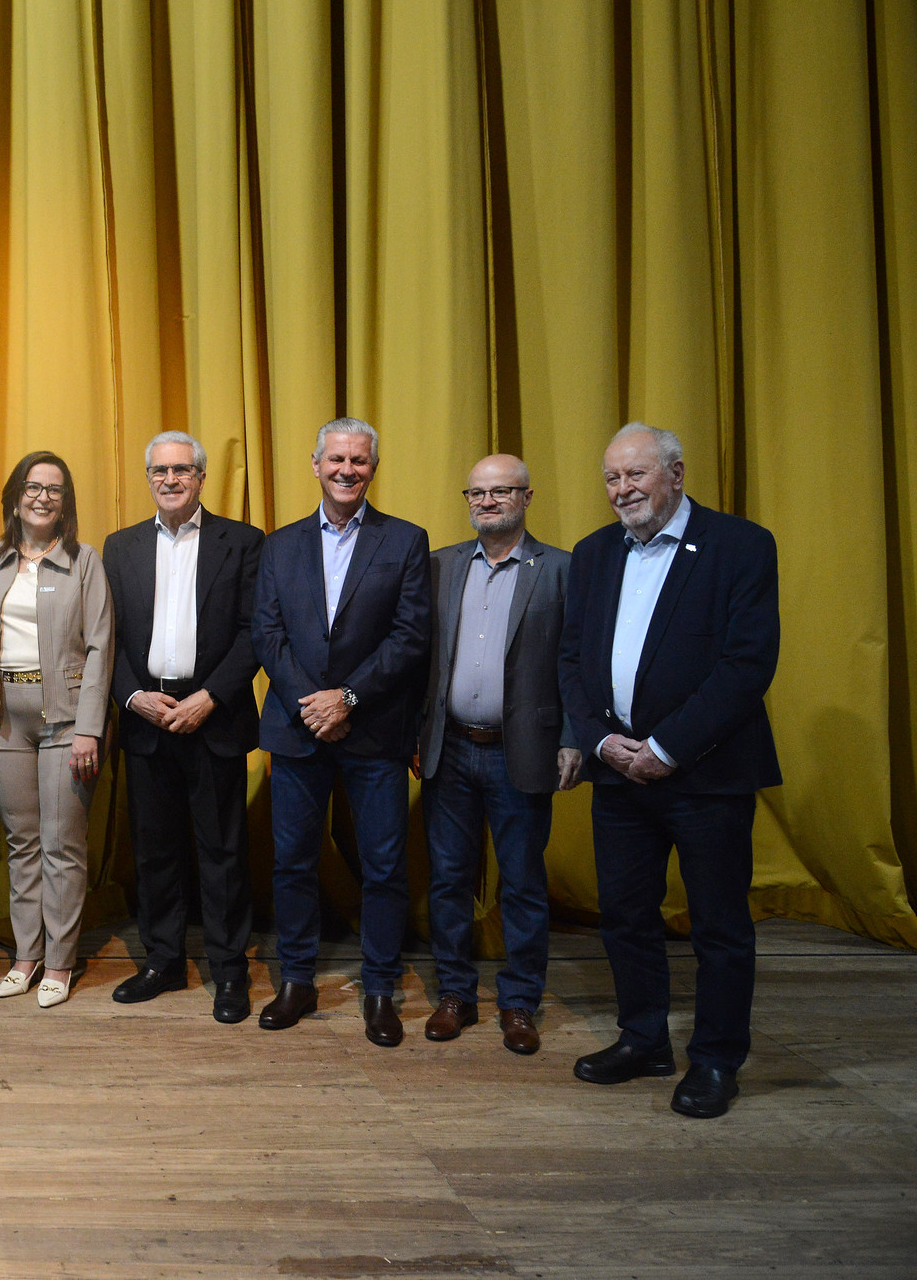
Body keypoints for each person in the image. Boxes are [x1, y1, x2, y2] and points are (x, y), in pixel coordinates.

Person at [560, 423, 780, 1119]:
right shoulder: (593, 552)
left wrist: (666, 746)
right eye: (612, 478)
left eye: (637, 474)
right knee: (625, 917)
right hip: (617, 772)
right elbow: (571, 659)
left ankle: (715, 1059)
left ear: (676, 474)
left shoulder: (741, 545)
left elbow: (747, 665)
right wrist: (602, 742)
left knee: (718, 926)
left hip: (706, 775)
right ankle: (643, 1039)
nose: (623, 489)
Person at [251, 417, 431, 1047]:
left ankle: (379, 988)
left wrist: (347, 699)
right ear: (316, 464)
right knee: (293, 864)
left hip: (374, 730)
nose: (347, 470)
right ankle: (297, 981)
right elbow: (267, 633)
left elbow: (410, 635)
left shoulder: (405, 540)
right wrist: (313, 705)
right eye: (336, 459)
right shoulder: (279, 545)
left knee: (382, 867)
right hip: (297, 728)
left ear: (372, 468)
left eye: (358, 460)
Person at [416, 454, 582, 1055]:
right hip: (450, 750)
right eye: (477, 493)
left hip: (524, 752)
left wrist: (572, 736)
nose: (487, 502)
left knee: (522, 884)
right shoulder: (440, 566)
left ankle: (519, 1002)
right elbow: (419, 658)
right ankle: (455, 994)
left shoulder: (561, 569)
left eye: (501, 491)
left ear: (527, 497)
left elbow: (577, 662)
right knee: (448, 881)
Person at [101, 431, 265, 1023]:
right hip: (146, 718)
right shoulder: (119, 546)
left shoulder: (242, 542)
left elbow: (255, 631)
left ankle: (229, 969)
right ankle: (164, 961)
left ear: (200, 477)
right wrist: (132, 696)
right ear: (148, 478)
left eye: (182, 470)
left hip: (212, 718)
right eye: (159, 471)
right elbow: (107, 635)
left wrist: (209, 697)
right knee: (154, 852)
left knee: (222, 852)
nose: (170, 480)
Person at [0, 452, 114, 1008]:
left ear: (66, 502)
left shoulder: (85, 561)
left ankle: (59, 962)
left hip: (68, 720)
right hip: (3, 717)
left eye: (54, 489)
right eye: (32, 487)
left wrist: (90, 729)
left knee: (61, 844)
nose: (42, 497)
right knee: (21, 842)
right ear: (14, 497)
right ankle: (25, 956)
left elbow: (101, 647)